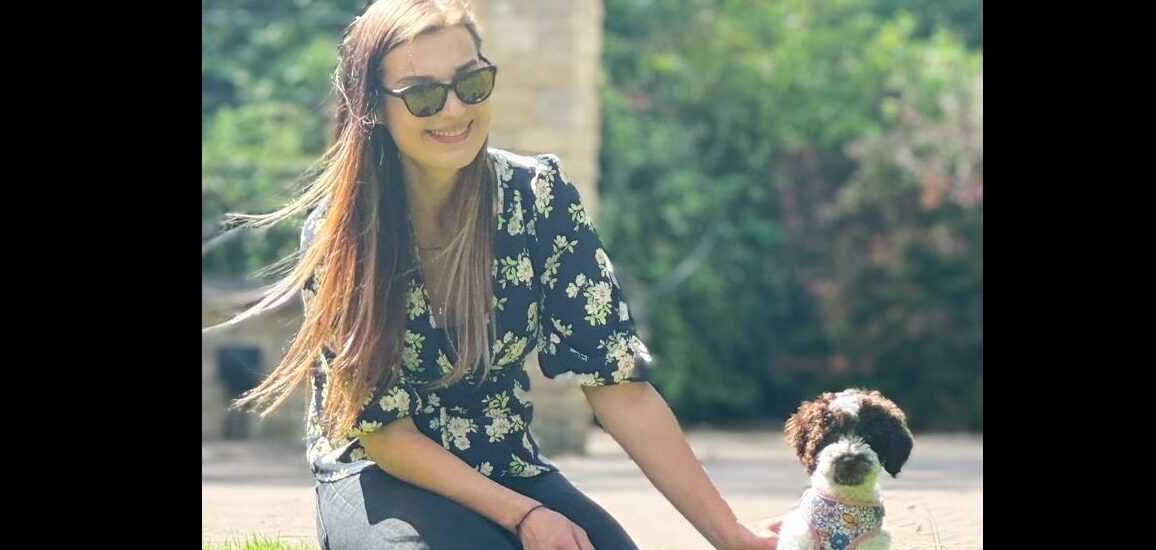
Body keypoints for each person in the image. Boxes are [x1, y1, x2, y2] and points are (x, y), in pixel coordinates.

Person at [220, 1, 779, 548]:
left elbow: (619, 389)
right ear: (375, 107)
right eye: (422, 94)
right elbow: (387, 433)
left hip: (505, 457)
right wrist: (526, 516)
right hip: (379, 472)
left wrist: (732, 536)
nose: (454, 109)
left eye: (471, 82)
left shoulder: (540, 199)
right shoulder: (340, 231)